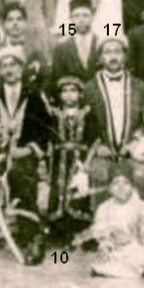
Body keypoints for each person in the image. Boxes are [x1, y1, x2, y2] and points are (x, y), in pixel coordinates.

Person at [0, 45, 54, 266]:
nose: (9, 70)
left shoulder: (34, 94)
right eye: (4, 66)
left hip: (25, 153)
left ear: (21, 68)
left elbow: (48, 128)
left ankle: (32, 236)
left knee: (20, 175)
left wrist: (29, 149)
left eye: (14, 65)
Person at [82, 36, 144, 214]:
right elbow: (83, 124)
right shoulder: (89, 88)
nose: (113, 57)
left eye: (117, 51)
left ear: (125, 56)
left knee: (143, 175)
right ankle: (103, 230)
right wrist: (97, 145)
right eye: (107, 52)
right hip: (102, 151)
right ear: (100, 58)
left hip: (132, 149)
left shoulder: (139, 86)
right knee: (99, 174)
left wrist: (137, 142)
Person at [75, 162, 144, 279]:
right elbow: (101, 234)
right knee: (107, 262)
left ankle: (135, 268)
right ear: (109, 188)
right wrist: (104, 246)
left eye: (126, 183)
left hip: (135, 247)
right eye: (115, 183)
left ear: (133, 187)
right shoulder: (104, 208)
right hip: (116, 250)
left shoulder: (140, 205)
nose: (121, 187)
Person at [46, 76, 98, 246]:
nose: (69, 95)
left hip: (80, 158)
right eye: (65, 91)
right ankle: (59, 232)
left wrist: (86, 163)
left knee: (78, 191)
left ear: (80, 94)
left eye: (73, 91)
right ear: (60, 95)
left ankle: (81, 231)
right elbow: (49, 140)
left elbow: (94, 140)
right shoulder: (54, 114)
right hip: (59, 159)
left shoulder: (88, 114)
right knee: (59, 190)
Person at [0, 2, 49, 91]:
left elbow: (45, 77)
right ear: (4, 24)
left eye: (19, 19)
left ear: (25, 22)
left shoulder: (35, 50)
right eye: (10, 20)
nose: (15, 23)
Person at [50, 0, 101, 88]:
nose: (81, 20)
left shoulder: (101, 45)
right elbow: (57, 80)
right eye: (76, 15)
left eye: (85, 15)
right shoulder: (61, 48)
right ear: (70, 18)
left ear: (92, 17)